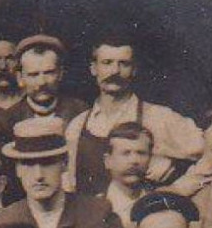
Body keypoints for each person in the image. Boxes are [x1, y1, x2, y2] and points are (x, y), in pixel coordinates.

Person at [65, 36, 203, 197]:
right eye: (107, 63)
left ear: (134, 69)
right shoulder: (77, 126)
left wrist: (179, 188)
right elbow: (69, 185)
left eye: (124, 63)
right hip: (91, 220)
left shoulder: (159, 118)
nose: (115, 71)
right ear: (93, 69)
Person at [0, 35, 87, 132]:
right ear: (20, 78)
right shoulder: (8, 120)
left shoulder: (80, 112)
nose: (42, 82)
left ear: (60, 73)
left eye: (49, 73)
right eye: (33, 75)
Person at [99, 122, 156, 228]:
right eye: (126, 153)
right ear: (108, 161)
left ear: (150, 158)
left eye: (141, 153)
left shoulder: (160, 202)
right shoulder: (92, 208)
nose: (134, 161)